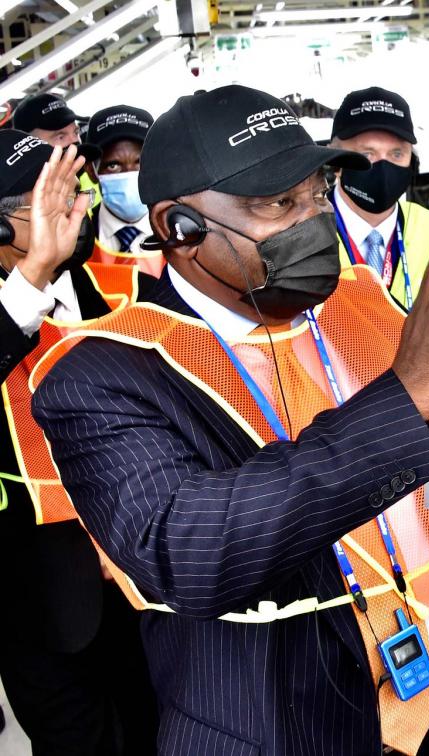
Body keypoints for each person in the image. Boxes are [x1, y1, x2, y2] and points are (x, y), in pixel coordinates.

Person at [30, 85, 429, 755]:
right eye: (277, 203)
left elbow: (425, 432)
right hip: (284, 726)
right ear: (181, 227)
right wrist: (404, 396)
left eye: (314, 193)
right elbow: (188, 550)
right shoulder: (103, 372)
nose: (314, 220)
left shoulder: (356, 303)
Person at [0, 134, 156, 754]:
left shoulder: (125, 288)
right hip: (41, 604)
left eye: (77, 196)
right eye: (50, 205)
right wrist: (33, 276)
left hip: (149, 582)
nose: (76, 214)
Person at [327, 87, 429, 307]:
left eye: (397, 154)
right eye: (366, 154)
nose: (383, 167)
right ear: (336, 161)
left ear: (412, 162)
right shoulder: (300, 232)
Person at [83, 104, 164, 276]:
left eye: (140, 162)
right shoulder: (76, 240)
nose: (129, 174)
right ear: (92, 171)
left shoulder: (183, 229)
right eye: (113, 165)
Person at [12, 93, 102, 210]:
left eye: (76, 132)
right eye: (60, 137)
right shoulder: (19, 206)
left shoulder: (94, 174)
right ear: (27, 144)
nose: (74, 140)